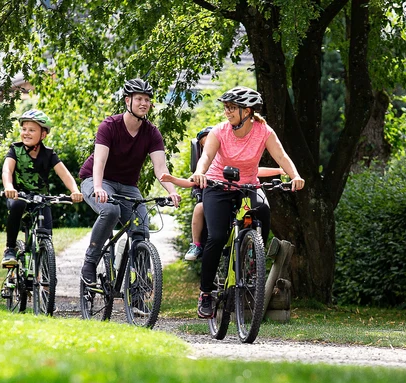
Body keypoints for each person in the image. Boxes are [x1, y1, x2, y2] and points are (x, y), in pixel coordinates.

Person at [189, 86, 304, 318]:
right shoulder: (220, 131)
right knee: (218, 236)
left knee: (262, 210)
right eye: (226, 107)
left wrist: (295, 176)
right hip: (217, 186)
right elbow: (207, 158)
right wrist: (200, 173)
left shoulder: (263, 131)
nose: (227, 112)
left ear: (247, 111)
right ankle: (206, 293)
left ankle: (253, 255)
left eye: (232, 108)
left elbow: (281, 156)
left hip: (247, 185)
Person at [78, 78, 181, 285]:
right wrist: (97, 187)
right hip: (96, 179)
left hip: (127, 186)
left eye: (147, 100)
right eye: (139, 99)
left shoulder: (152, 133)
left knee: (141, 229)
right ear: (128, 101)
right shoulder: (109, 126)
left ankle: (139, 287)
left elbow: (160, 169)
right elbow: (99, 161)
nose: (144, 103)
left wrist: (172, 190)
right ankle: (90, 262)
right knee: (111, 210)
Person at [183, 125, 283, 261]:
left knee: (256, 207)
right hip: (213, 194)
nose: (210, 146)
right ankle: (196, 244)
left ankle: (255, 248)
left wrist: (279, 170)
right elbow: (192, 181)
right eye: (204, 144)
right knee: (199, 208)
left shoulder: (228, 159)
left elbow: (255, 171)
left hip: (237, 191)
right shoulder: (205, 164)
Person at [1, 109, 82, 267]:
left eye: (32, 130)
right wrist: (9, 186)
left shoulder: (49, 154)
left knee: (45, 234)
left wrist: (75, 191)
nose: (26, 133)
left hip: (41, 199)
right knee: (17, 205)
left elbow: (64, 174)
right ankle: (10, 249)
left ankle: (45, 277)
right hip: (19, 196)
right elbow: (7, 170)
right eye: (24, 129)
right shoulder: (15, 150)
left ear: (43, 135)